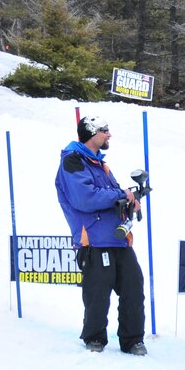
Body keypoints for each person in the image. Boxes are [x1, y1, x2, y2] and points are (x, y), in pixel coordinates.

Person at [55, 116, 147, 355]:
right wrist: (121, 194)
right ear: (91, 132)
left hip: (118, 239)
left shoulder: (100, 164)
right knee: (98, 294)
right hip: (93, 240)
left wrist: (130, 202)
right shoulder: (72, 161)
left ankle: (133, 340)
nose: (109, 135)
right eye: (104, 130)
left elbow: (111, 196)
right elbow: (84, 199)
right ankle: (94, 337)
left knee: (134, 287)